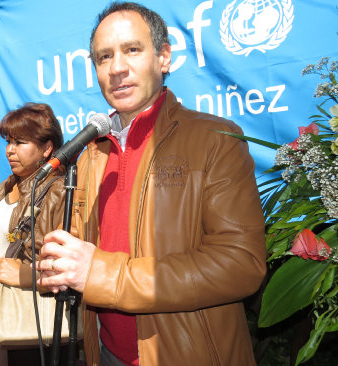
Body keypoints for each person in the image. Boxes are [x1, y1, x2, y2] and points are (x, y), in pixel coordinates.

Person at [36, 2, 267, 366]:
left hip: (191, 354)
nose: (117, 68)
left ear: (163, 58)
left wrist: (102, 273)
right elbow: (86, 255)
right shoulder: (90, 154)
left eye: (132, 50)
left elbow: (242, 264)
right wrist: (60, 269)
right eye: (103, 57)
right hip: (106, 352)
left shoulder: (215, 139)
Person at [0, 103, 66, 366]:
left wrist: (26, 275)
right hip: (5, 315)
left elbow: (65, 262)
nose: (10, 150)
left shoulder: (59, 190)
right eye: (9, 141)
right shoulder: (5, 186)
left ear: (47, 148)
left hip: (38, 320)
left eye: (20, 142)